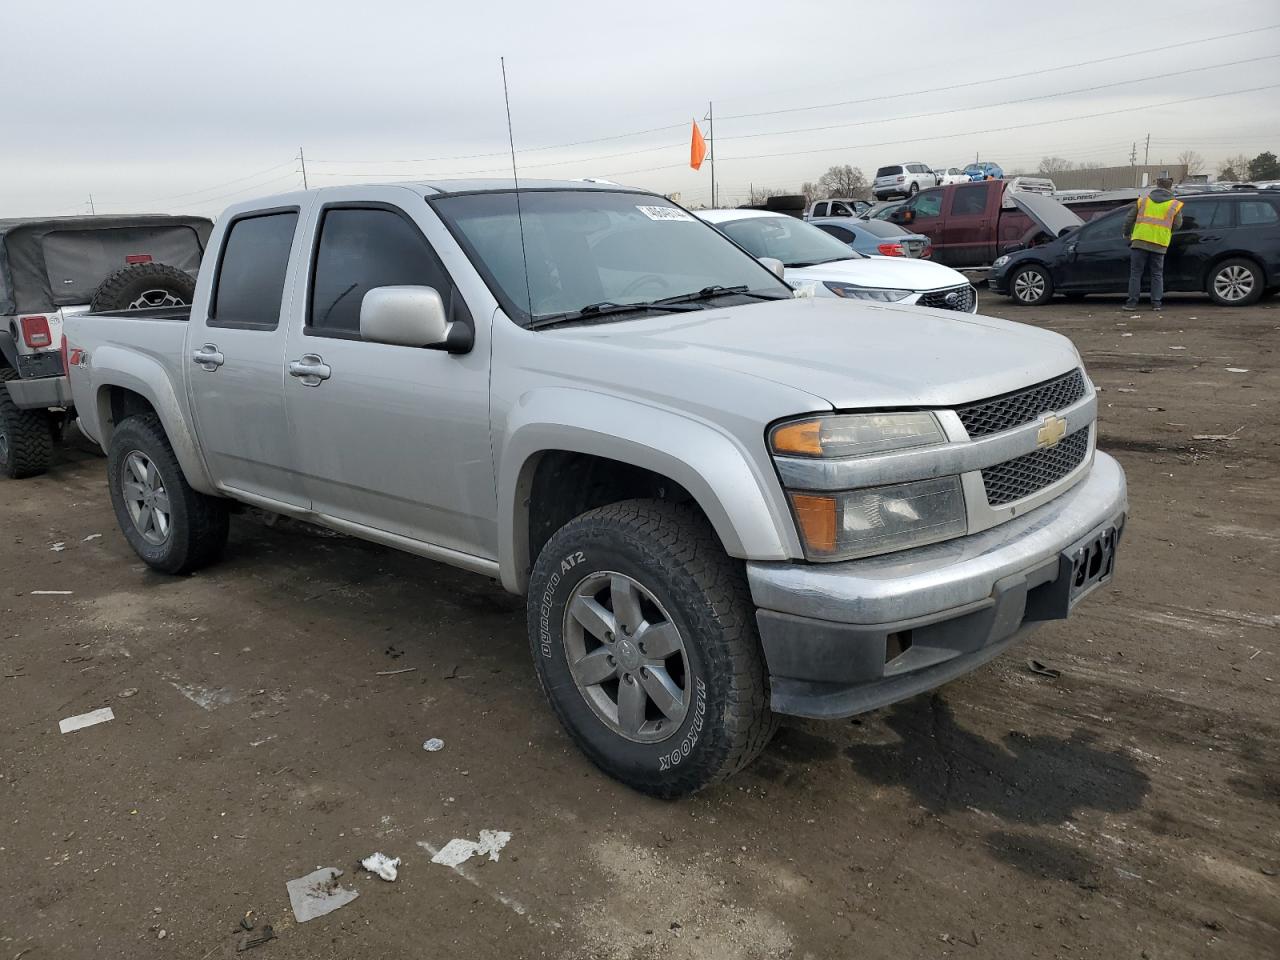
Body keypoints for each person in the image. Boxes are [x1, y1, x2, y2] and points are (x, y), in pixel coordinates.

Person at [1123, 177, 1183, 311]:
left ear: (1157, 185)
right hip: (1160, 243)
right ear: (1170, 187)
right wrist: (1165, 230)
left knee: (1136, 274)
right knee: (1157, 274)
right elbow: (1178, 224)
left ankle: (1132, 303)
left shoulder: (1143, 201)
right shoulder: (1174, 205)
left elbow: (1129, 219)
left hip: (1140, 241)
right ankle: (1156, 303)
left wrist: (1127, 233)